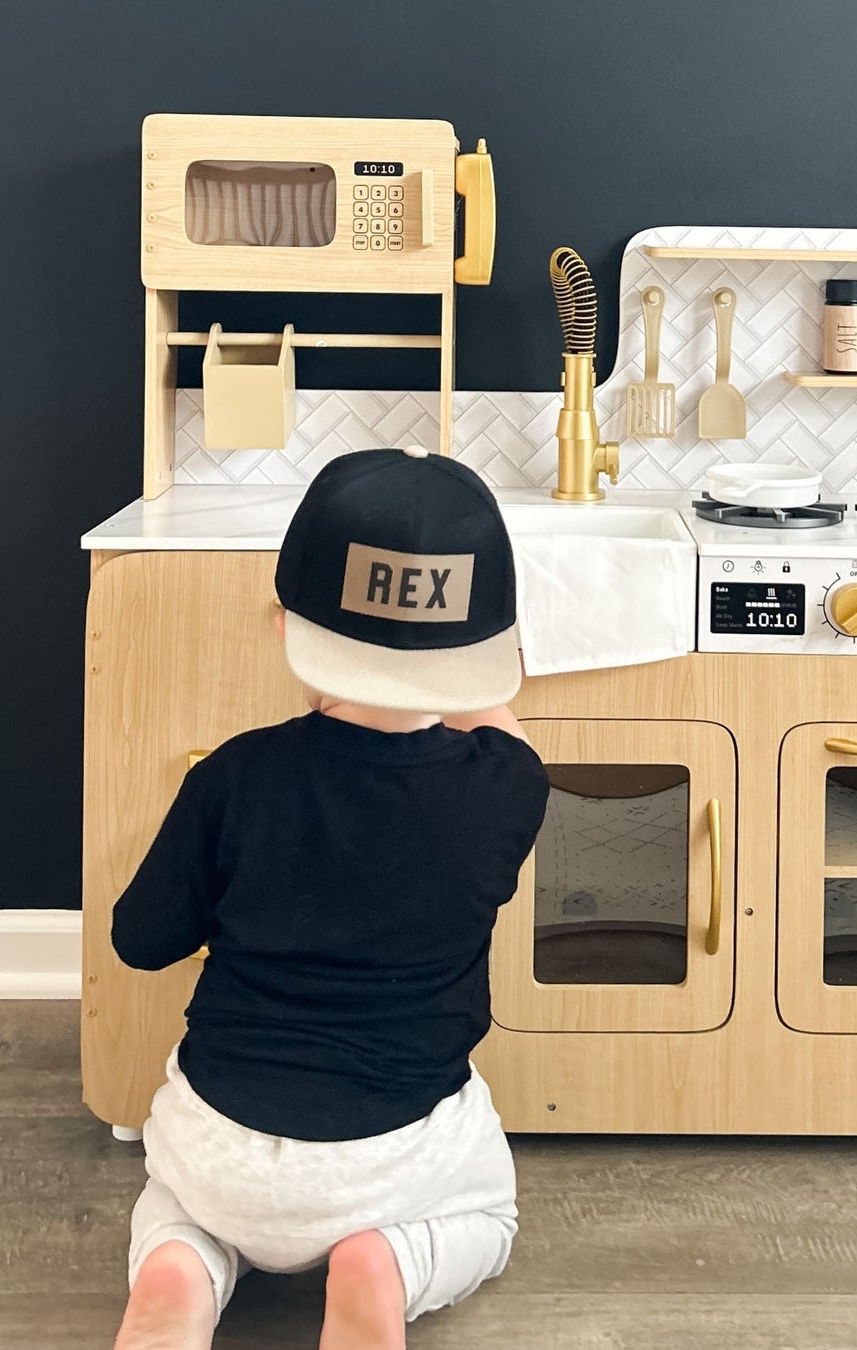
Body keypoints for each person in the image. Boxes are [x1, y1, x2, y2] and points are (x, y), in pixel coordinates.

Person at [108, 447, 549, 1350]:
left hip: (220, 1140)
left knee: (177, 1207)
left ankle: (179, 1273)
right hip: (393, 1156)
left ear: (285, 625)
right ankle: (383, 1266)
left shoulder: (235, 777)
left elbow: (140, 941)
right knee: (487, 1217)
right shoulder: (508, 787)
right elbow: (502, 725)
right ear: (481, 656)